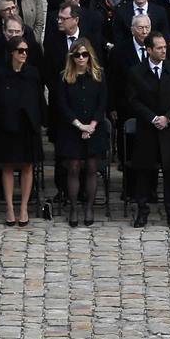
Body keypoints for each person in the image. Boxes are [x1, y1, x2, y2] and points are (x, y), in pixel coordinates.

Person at [126, 30, 170, 227]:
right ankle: (142, 211)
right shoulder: (136, 71)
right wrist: (152, 118)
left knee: (169, 173)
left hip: (169, 129)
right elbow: (133, 100)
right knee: (144, 172)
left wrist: (167, 118)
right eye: (159, 48)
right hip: (147, 128)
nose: (164, 51)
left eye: (164, 47)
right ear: (149, 49)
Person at [53, 37, 106, 225]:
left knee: (92, 168)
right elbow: (62, 104)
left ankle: (89, 207)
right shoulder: (64, 77)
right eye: (78, 55)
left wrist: (92, 125)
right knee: (73, 168)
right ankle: (74, 207)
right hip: (71, 129)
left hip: (94, 128)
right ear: (72, 57)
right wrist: (79, 125)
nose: (81, 58)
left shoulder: (99, 75)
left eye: (84, 54)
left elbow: (102, 103)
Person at [0, 34, 41, 224]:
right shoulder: (0, 73)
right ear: (11, 53)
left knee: (28, 166)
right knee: (8, 166)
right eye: (20, 51)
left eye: (26, 51)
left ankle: (24, 208)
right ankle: (10, 208)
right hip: (7, 124)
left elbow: (37, 99)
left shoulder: (33, 73)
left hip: (27, 124)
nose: (24, 54)